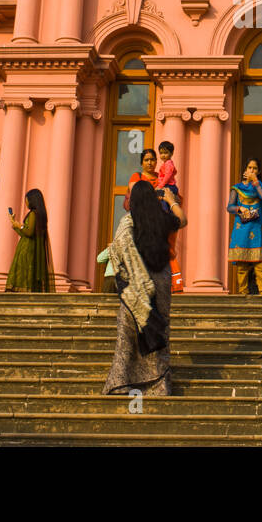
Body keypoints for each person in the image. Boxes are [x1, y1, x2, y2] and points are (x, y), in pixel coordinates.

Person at [104, 180, 186, 396]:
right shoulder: (162, 219)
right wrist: (171, 200)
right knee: (160, 328)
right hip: (161, 278)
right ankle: (159, 385)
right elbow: (182, 220)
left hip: (137, 282)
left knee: (128, 333)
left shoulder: (127, 223)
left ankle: (120, 382)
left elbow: (120, 251)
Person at [130, 149, 184, 293]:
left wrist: (172, 199)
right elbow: (135, 196)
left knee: (166, 248)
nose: (150, 162)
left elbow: (176, 200)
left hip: (161, 219)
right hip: (144, 220)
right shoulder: (138, 177)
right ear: (141, 162)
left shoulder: (163, 176)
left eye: (152, 159)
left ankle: (172, 284)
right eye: (146, 160)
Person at [227, 157, 262, 295]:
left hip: (258, 230)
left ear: (259, 171)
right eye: (249, 168)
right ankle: (243, 295)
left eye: (255, 168)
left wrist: (255, 182)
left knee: (260, 266)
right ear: (245, 170)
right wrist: (239, 209)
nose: (252, 170)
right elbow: (229, 207)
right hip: (241, 230)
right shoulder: (237, 188)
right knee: (241, 267)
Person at [6, 189, 55, 292]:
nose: (26, 202)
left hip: (27, 250)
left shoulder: (33, 214)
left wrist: (19, 225)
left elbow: (29, 232)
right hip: (31, 250)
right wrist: (14, 224)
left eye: (27, 199)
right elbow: (25, 233)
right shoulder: (41, 215)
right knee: (30, 277)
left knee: (22, 276)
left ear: (32, 200)